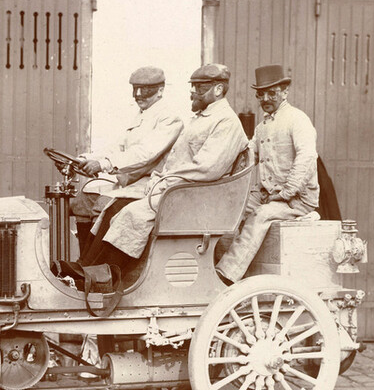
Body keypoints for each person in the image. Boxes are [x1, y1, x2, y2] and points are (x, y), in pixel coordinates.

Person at [80, 63, 247, 271]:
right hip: (180, 190)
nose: (193, 92)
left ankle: (106, 276)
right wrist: (160, 179)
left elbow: (206, 169)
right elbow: (175, 161)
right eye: (193, 86)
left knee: (131, 214)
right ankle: (87, 270)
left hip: (194, 196)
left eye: (200, 87)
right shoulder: (203, 118)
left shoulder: (226, 122)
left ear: (219, 90)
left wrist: (164, 181)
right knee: (113, 208)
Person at [215, 64, 320, 284]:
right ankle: (215, 269)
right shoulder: (263, 126)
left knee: (260, 216)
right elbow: (248, 156)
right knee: (229, 212)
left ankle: (227, 276)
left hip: (296, 200)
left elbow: (307, 157)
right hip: (267, 194)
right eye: (261, 94)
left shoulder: (297, 119)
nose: (266, 99)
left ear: (285, 92)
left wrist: (287, 191)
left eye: (272, 93)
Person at [70, 66, 184, 230]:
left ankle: (95, 256)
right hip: (130, 181)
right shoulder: (142, 114)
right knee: (83, 200)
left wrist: (105, 164)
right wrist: (85, 159)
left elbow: (145, 153)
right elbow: (118, 147)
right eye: (135, 89)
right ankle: (85, 254)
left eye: (144, 90)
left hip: (151, 183)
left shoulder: (169, 118)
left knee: (104, 204)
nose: (138, 95)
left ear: (160, 90)